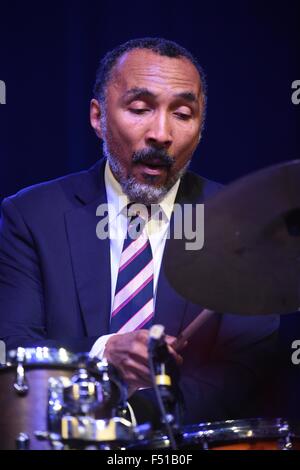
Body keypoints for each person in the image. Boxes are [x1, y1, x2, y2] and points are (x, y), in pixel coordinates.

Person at [0, 38, 278, 426]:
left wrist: (140, 417)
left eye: (182, 114)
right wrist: (103, 353)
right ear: (98, 117)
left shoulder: (240, 222)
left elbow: (246, 366)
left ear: (200, 129)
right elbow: (11, 345)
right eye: (140, 109)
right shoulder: (29, 216)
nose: (161, 134)